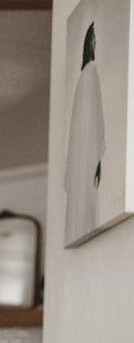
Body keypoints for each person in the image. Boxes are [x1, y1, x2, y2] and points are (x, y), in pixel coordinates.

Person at [64, 21, 106, 247]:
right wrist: (97, 156)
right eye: (95, 40)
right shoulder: (91, 74)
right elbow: (96, 120)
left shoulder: (83, 78)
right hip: (87, 154)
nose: (96, 44)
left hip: (82, 158)